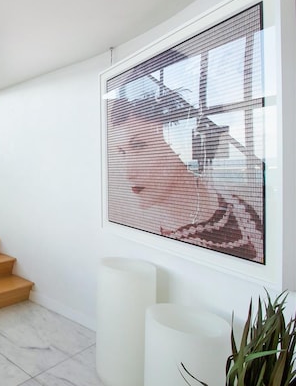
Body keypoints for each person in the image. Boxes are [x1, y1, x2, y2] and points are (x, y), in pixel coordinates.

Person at [107, 93, 264, 262]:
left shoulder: (238, 210)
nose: (128, 173)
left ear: (177, 141)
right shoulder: (151, 231)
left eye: (138, 146)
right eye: (122, 152)